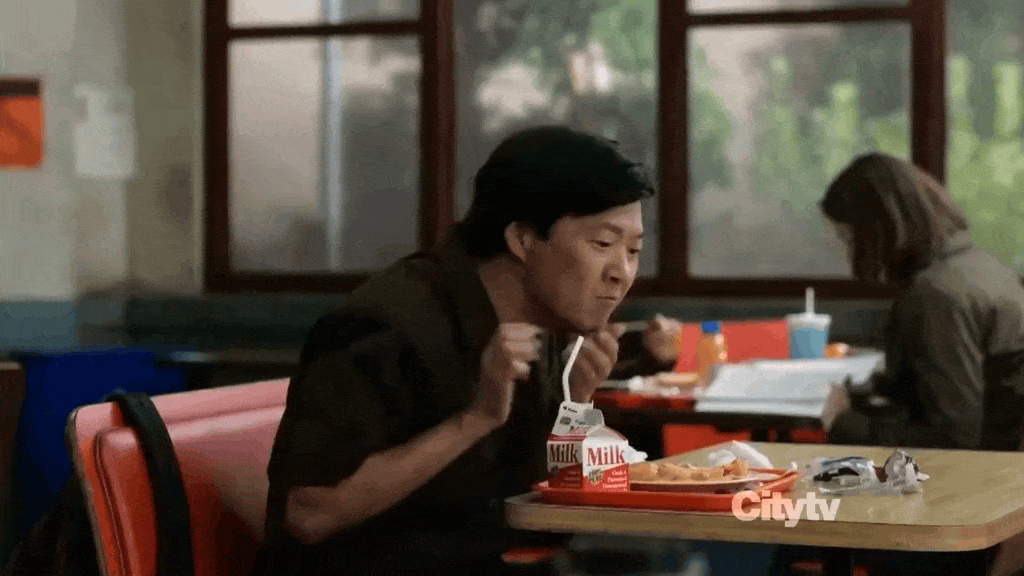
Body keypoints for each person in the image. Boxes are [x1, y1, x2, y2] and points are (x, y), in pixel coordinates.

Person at [252, 126, 655, 574]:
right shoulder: (388, 323)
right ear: (523, 239)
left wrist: (574, 405)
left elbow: (527, 497)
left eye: (633, 250)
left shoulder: (546, 327)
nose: (622, 272)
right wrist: (476, 418)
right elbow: (309, 513)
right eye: (603, 244)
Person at [772, 152, 1024, 575]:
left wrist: (843, 421)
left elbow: (953, 440)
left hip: (967, 506)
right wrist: (879, 388)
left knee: (788, 519)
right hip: (1001, 491)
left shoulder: (937, 296)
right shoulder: (983, 267)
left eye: (850, 239)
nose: (851, 253)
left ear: (878, 232)